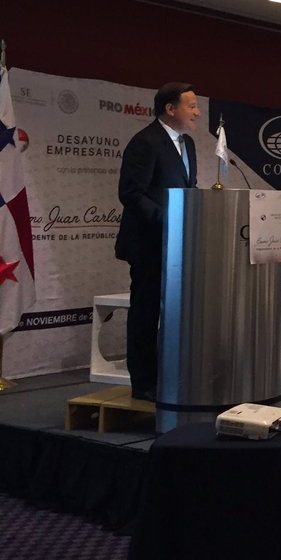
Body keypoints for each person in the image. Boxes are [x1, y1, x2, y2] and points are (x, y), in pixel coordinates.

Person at [115, 82, 199, 402]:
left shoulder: (187, 144)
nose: (197, 113)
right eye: (191, 106)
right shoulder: (145, 141)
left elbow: (187, 188)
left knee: (176, 314)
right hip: (149, 244)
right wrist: (169, 220)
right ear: (170, 109)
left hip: (179, 245)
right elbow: (131, 193)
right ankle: (144, 383)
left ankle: (169, 376)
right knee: (146, 314)